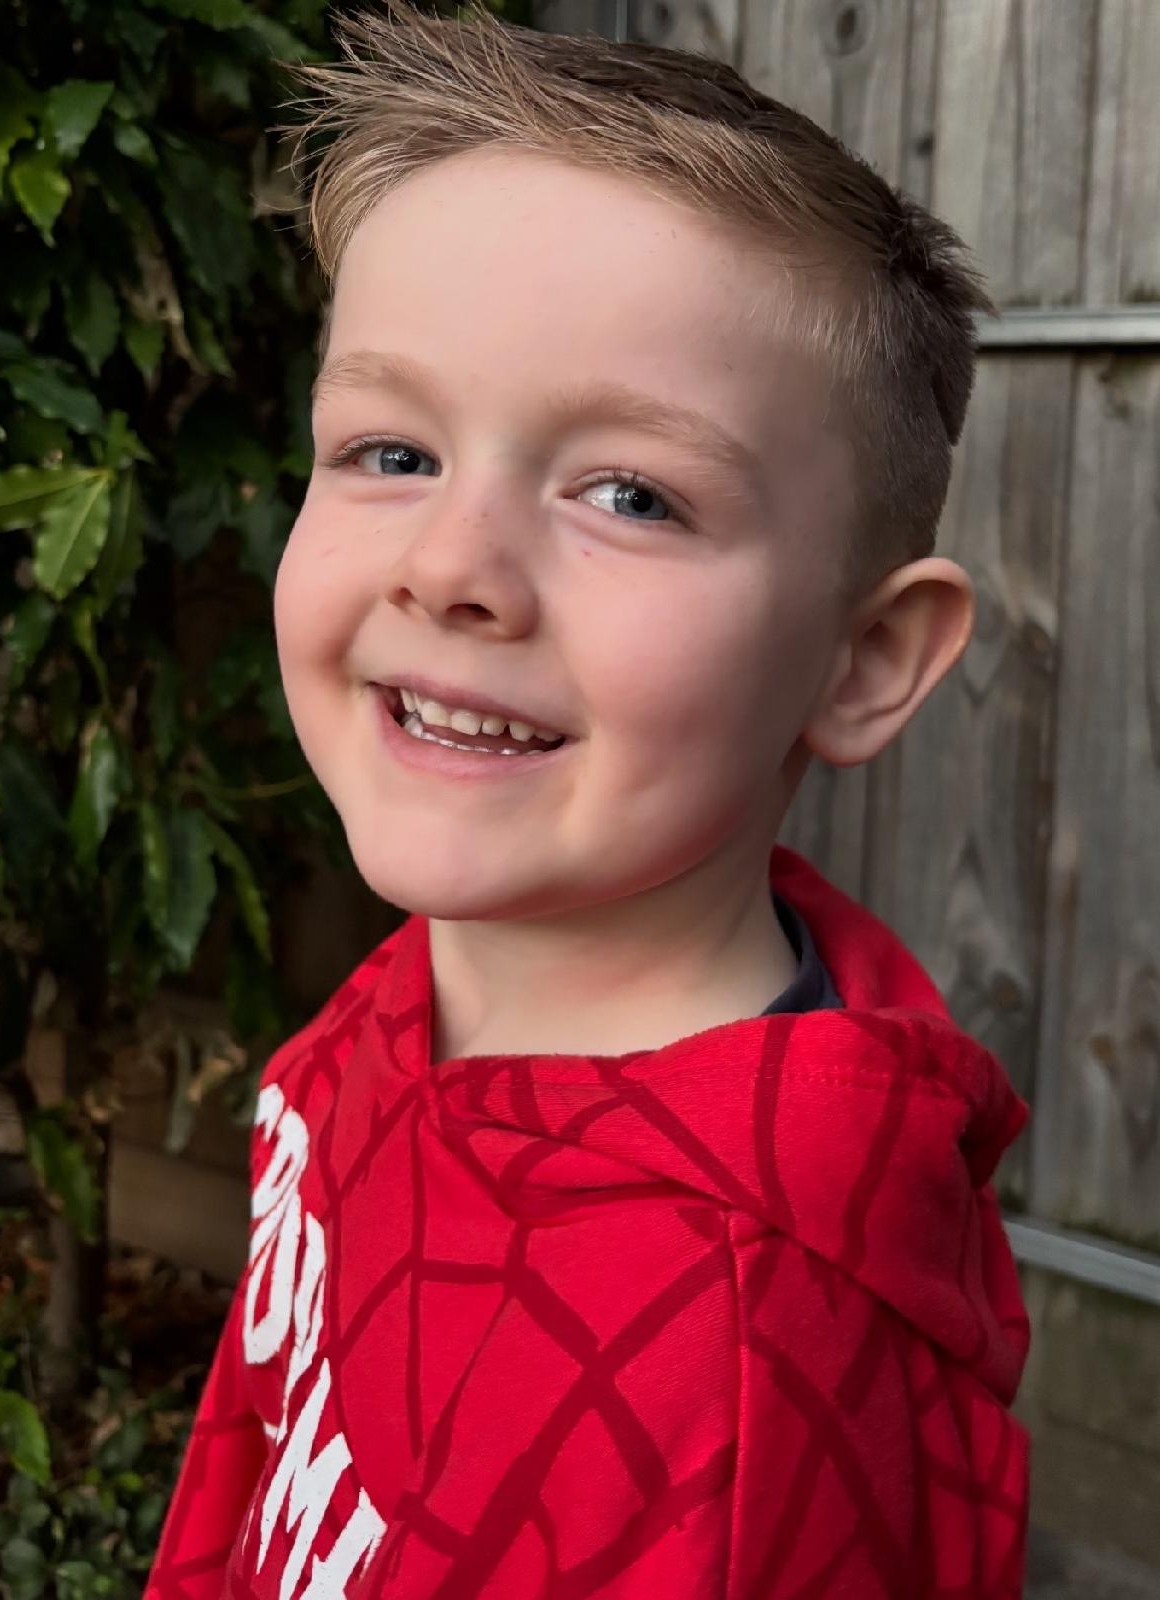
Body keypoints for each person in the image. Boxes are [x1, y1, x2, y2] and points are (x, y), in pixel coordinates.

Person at [145, 6, 1030, 1597]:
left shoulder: (736, 1402)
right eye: (391, 451)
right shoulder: (450, 963)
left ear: (864, 661)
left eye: (631, 494)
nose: (450, 567)